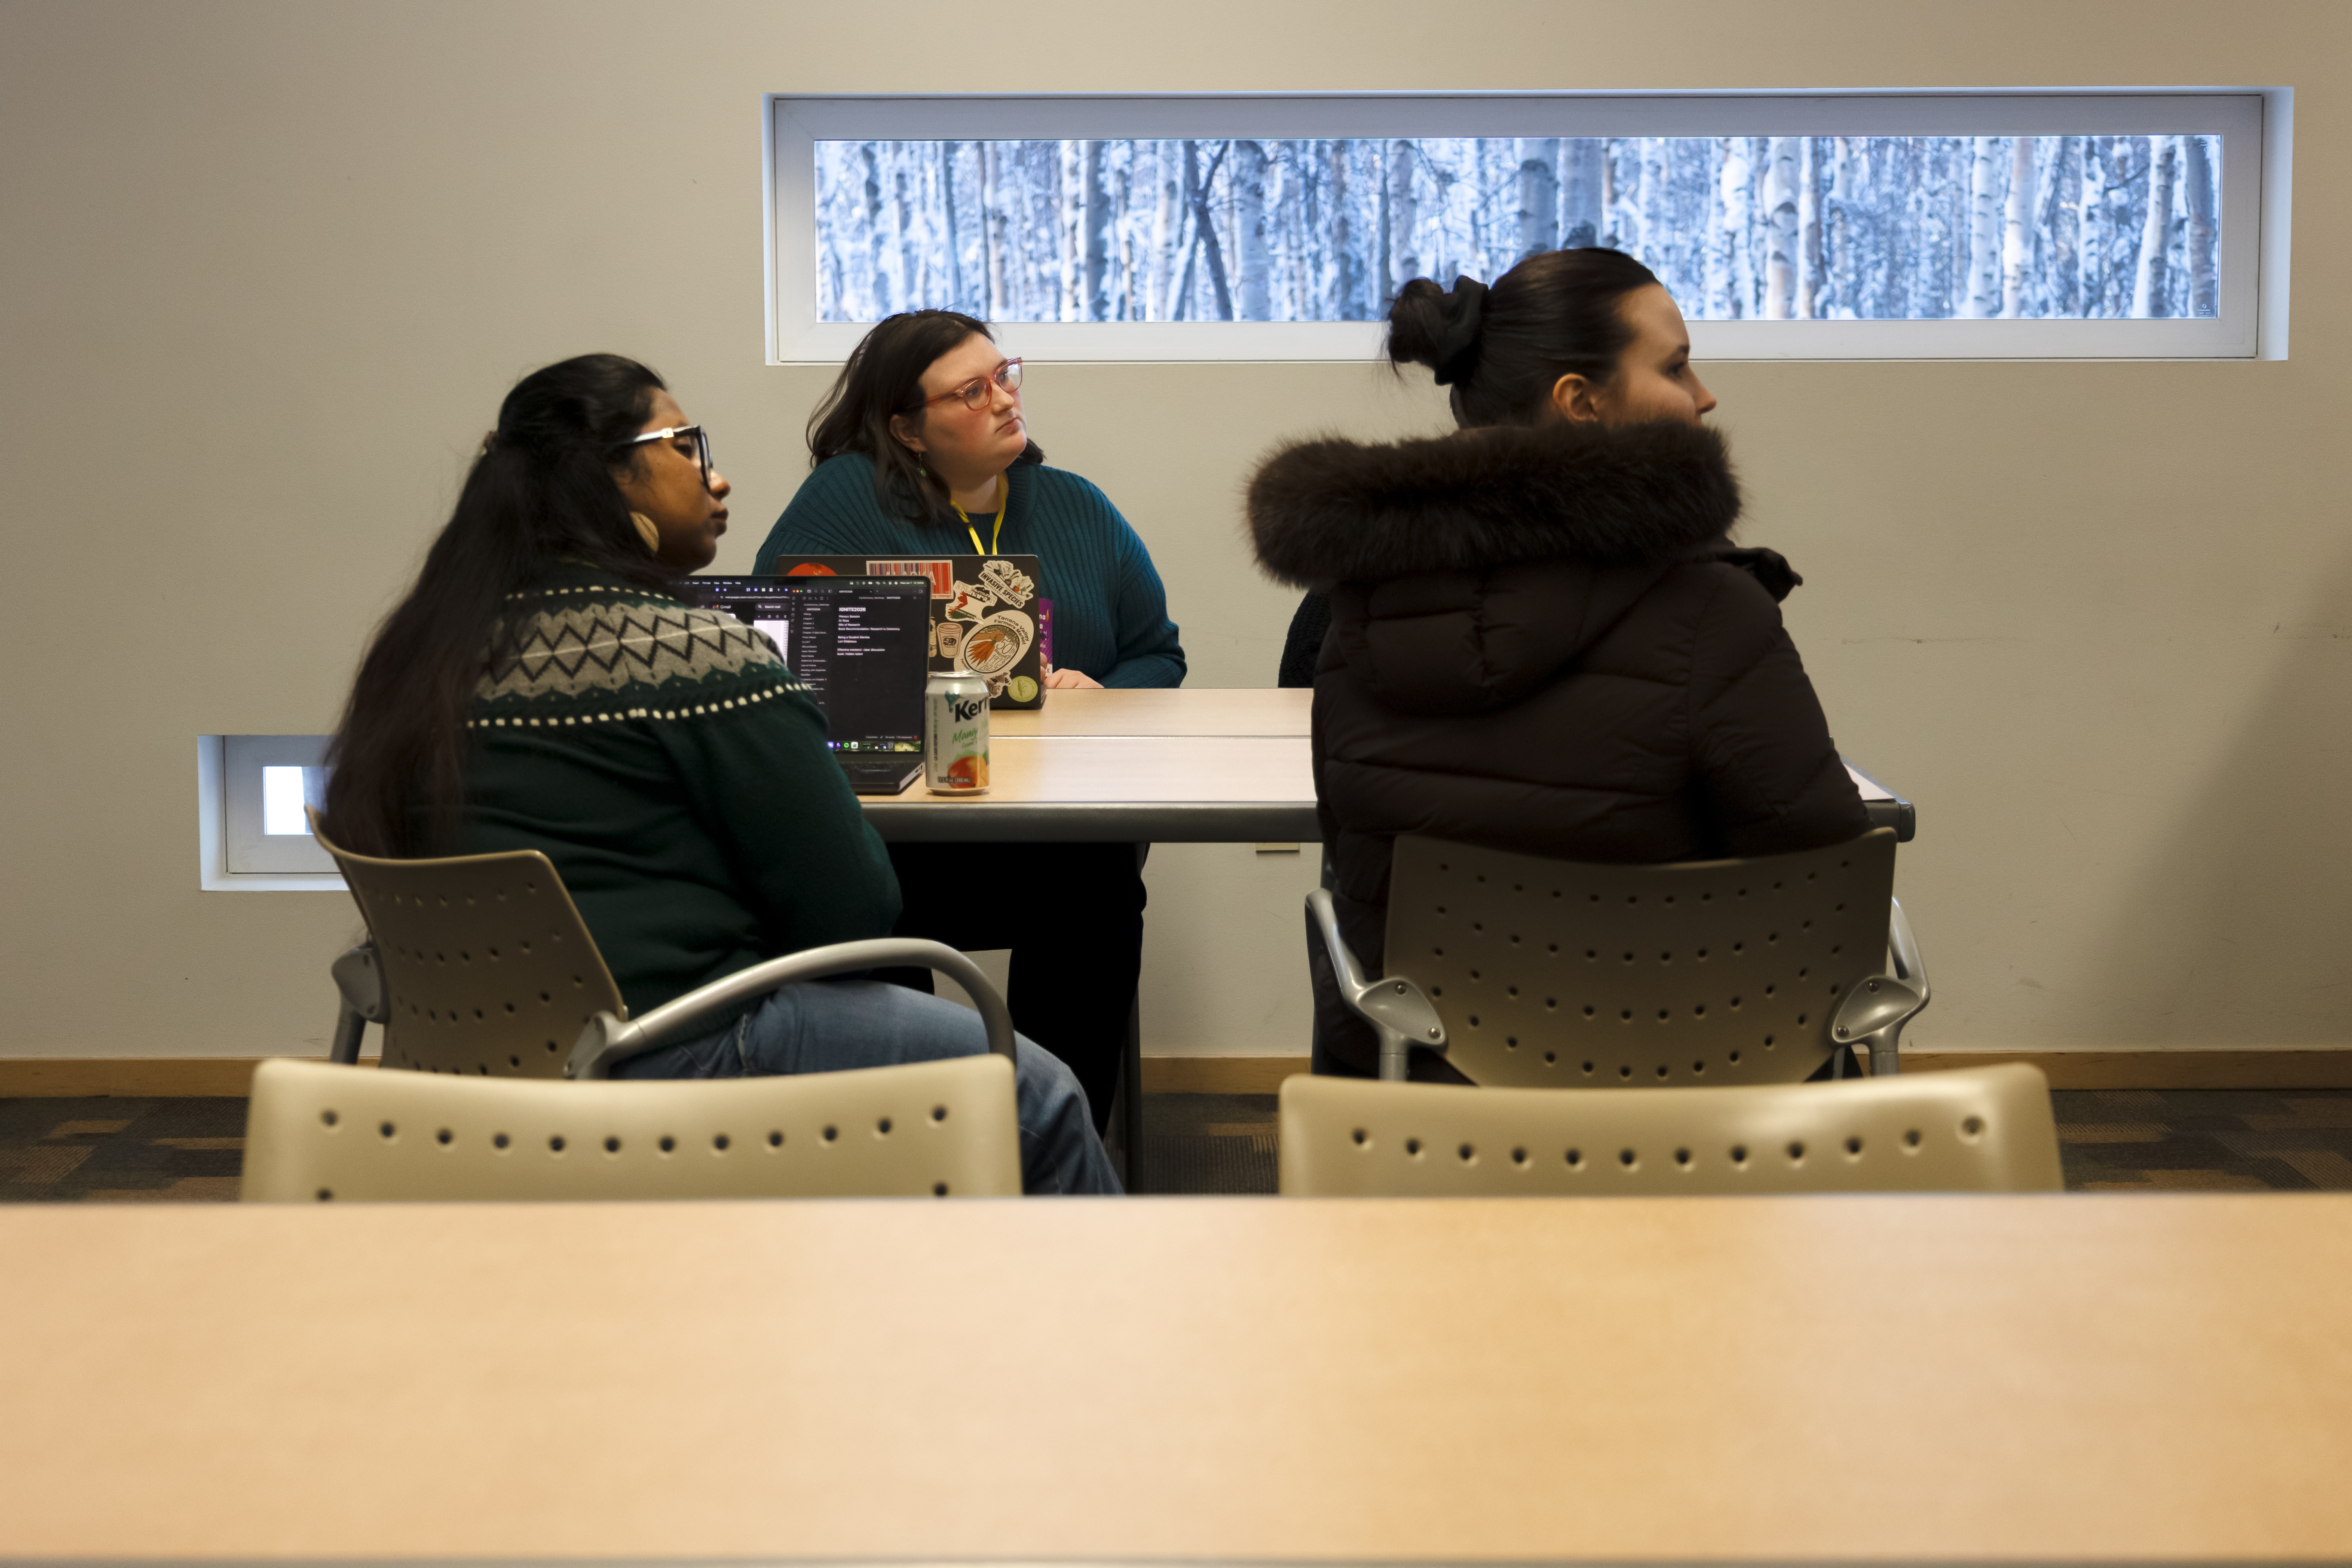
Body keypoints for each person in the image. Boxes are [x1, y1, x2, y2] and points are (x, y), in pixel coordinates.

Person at [318, 352, 1119, 1194]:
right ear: (615, 478)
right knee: (1044, 1097)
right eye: (689, 448)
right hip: (683, 1053)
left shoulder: (422, 652)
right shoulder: (698, 656)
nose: (721, 479)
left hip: (451, 1068)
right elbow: (853, 914)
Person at [1245, 249, 1868, 1078]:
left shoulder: (1353, 604)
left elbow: (1357, 861)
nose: (1705, 395)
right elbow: (1821, 877)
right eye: (1676, 367)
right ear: (1580, 402)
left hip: (1424, 1109)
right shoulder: (1712, 609)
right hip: (1690, 1105)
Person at [753, 312, 1185, 1129]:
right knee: (851, 900)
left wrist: (1104, 689)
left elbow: (1159, 654)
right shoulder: (845, 499)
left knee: (1100, 892)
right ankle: (920, 1138)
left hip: (1052, 835)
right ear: (906, 429)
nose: (1005, 400)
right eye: (973, 390)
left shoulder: (1077, 507)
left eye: (1006, 376)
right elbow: (780, 645)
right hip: (898, 836)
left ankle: (1058, 1134)